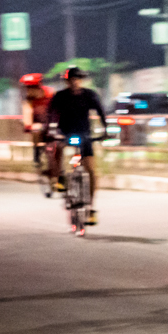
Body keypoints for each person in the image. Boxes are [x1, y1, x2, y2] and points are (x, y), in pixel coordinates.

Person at [47, 66, 107, 225]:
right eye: (71, 79)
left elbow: (101, 112)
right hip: (65, 133)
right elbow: (51, 114)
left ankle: (91, 208)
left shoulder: (89, 95)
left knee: (92, 171)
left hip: (85, 134)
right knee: (58, 147)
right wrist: (51, 130)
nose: (74, 82)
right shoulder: (60, 96)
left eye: (77, 79)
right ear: (67, 81)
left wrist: (105, 129)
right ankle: (60, 177)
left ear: (81, 80)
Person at [20, 73, 54, 166]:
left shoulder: (50, 94)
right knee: (36, 129)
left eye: (29, 88)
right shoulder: (28, 99)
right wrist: (28, 125)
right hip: (39, 124)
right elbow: (27, 112)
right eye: (26, 88)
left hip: (53, 123)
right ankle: (36, 155)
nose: (27, 91)